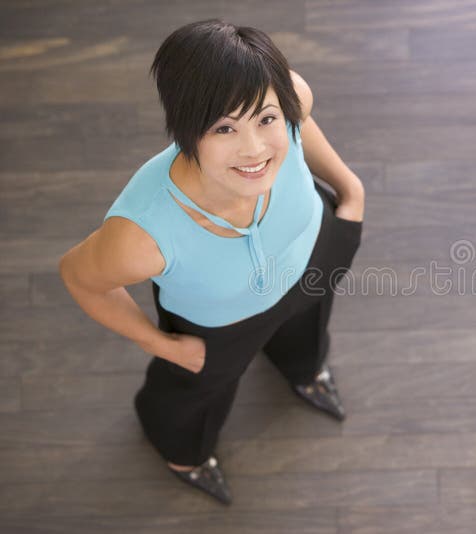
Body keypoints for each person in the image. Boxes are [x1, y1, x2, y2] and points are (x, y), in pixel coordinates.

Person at [58, 19, 365, 505]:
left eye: (265, 119)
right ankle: (186, 454)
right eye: (224, 128)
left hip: (312, 256)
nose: (255, 149)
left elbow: (300, 121)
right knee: (190, 398)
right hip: (218, 329)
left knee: (308, 330)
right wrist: (162, 345)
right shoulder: (141, 233)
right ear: (186, 130)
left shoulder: (290, 96)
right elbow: (78, 277)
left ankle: (305, 371)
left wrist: (350, 189)